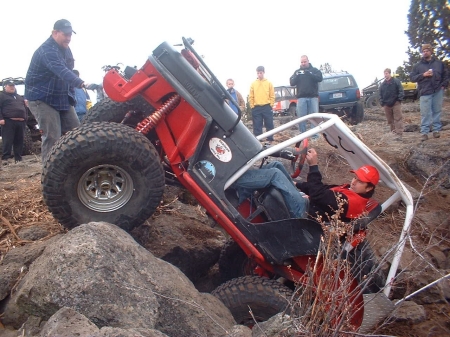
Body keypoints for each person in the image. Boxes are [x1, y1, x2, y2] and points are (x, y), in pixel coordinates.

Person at [25, 19, 88, 162]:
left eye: (70, 35)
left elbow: (69, 69)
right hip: (42, 98)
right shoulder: (47, 50)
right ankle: (49, 177)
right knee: (52, 137)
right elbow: (61, 70)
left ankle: (76, 168)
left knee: (76, 134)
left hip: (61, 97)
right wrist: (81, 82)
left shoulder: (66, 49)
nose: (68, 38)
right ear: (55, 33)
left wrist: (71, 95)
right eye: (65, 34)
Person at [296, 149, 379, 222]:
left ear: (369, 188)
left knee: (282, 179)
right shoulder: (349, 190)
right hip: (309, 205)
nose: (353, 182)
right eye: (355, 177)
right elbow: (322, 189)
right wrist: (297, 184)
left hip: (305, 217)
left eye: (360, 181)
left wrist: (313, 166)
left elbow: (317, 194)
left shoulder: (348, 201)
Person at [410, 44, 449, 141]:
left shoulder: (439, 64)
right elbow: (412, 78)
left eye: (427, 50)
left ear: (431, 51)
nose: (425, 52)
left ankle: (436, 130)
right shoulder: (418, 66)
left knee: (437, 111)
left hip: (437, 91)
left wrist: (443, 85)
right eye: (423, 51)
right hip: (425, 91)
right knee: (425, 113)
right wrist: (423, 75)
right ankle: (424, 132)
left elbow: (446, 75)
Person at [289, 55, 323, 137]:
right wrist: (297, 76)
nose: (303, 63)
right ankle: (303, 136)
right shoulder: (297, 72)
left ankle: (315, 137)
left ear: (308, 61)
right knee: (301, 118)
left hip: (313, 97)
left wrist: (310, 74)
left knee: (314, 118)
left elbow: (320, 78)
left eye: (305, 61)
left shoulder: (314, 70)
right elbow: (292, 82)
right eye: (302, 62)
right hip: (301, 98)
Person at [0, 81, 28, 164]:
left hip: (21, 122)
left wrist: (25, 118)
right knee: (8, 140)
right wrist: (1, 118)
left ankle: (18, 159)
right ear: (5, 87)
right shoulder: (1, 96)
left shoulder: (19, 97)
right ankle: (5, 158)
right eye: (10, 86)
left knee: (19, 140)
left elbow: (25, 108)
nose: (12, 87)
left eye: (13, 86)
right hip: (8, 121)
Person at [249, 66, 275, 143]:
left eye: (260, 73)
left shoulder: (269, 83)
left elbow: (272, 95)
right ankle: (258, 139)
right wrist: (252, 105)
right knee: (257, 125)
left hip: (267, 106)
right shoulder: (253, 84)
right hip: (256, 107)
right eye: (258, 73)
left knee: (269, 123)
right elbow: (251, 96)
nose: (259, 74)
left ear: (263, 72)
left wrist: (271, 104)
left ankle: (270, 139)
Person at [379, 68, 404, 141]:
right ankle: (393, 132)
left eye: (387, 73)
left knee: (398, 118)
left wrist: (399, 99)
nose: (385, 75)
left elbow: (401, 90)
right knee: (390, 120)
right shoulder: (382, 84)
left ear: (390, 74)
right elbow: (380, 94)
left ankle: (399, 133)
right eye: (385, 73)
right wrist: (382, 102)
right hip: (386, 104)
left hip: (396, 103)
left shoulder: (396, 81)